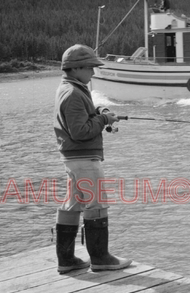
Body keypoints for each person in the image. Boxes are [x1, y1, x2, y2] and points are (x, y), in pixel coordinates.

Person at [54, 44, 132, 273]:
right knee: (96, 204)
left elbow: (82, 116)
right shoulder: (73, 93)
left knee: (73, 204)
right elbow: (80, 131)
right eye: (90, 68)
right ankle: (100, 258)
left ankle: (66, 260)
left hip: (74, 159)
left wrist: (99, 111)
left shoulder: (70, 88)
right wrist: (104, 121)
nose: (93, 73)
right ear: (76, 68)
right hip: (83, 159)